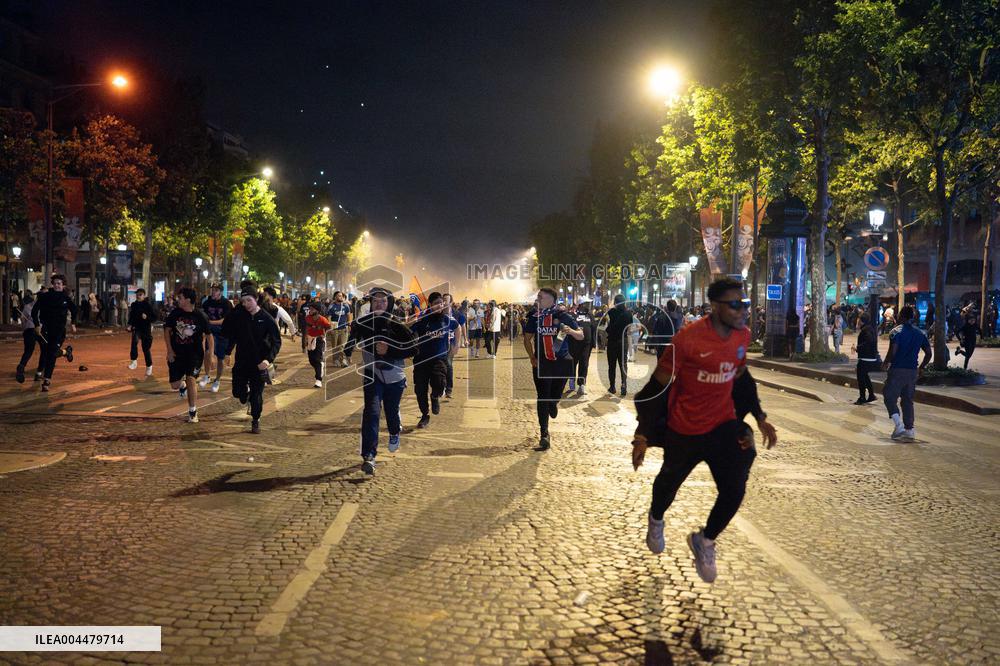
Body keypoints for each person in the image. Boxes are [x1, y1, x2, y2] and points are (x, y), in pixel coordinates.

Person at [631, 278, 777, 583]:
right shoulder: (687, 340)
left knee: (735, 487)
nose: (743, 310)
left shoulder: (742, 335)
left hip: (722, 427)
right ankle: (656, 519)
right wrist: (642, 434)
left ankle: (705, 540)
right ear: (715, 306)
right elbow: (657, 387)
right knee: (668, 484)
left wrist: (760, 416)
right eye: (735, 304)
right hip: (683, 428)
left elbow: (741, 377)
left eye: (745, 303)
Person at [345, 287, 418, 474]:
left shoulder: (396, 324)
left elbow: (413, 349)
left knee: (391, 412)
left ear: (389, 304)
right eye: (375, 301)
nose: (379, 304)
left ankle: (394, 432)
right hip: (372, 375)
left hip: (395, 377)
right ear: (371, 303)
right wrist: (348, 348)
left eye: (383, 301)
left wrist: (390, 350)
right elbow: (353, 338)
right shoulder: (363, 323)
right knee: (372, 412)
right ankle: (369, 456)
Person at [522, 287, 583, 451]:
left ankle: (554, 402)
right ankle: (544, 434)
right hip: (542, 363)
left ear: (551, 300)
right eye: (538, 297)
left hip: (562, 362)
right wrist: (532, 357)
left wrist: (571, 331)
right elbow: (527, 339)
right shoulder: (534, 317)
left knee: (554, 395)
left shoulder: (563, 316)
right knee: (542, 397)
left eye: (541, 297)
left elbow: (581, 335)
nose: (537, 300)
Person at [221, 286, 282, 434]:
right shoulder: (240, 316)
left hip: (259, 363)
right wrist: (228, 352)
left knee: (257, 394)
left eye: (249, 300)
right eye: (243, 301)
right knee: (238, 392)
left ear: (256, 299)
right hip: (241, 361)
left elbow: (277, 341)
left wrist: (268, 360)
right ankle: (245, 395)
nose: (246, 304)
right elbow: (232, 335)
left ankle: (256, 419)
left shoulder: (266, 318)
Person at [882, 305, 932, 441]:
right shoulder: (920, 333)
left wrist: (886, 362)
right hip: (912, 371)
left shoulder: (896, 332)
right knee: (907, 400)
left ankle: (898, 425)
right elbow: (928, 353)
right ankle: (910, 429)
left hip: (898, 369)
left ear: (901, 316)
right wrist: (921, 367)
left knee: (889, 396)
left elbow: (893, 350)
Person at [409, 292, 458, 429]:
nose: (440, 306)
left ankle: (435, 396)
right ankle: (425, 415)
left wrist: (456, 346)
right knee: (420, 390)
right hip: (421, 360)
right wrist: (413, 320)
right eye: (436, 303)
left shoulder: (446, 319)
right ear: (430, 304)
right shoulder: (422, 319)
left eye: (441, 303)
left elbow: (458, 327)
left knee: (440, 383)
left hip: (439, 360)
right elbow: (408, 329)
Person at [163, 287, 212, 423]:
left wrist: (211, 354)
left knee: (191, 379)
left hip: (194, 354)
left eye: (180, 298)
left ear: (188, 300)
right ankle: (182, 385)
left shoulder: (200, 316)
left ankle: (192, 411)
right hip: (177, 353)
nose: (178, 300)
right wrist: (169, 350)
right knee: (174, 385)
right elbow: (167, 330)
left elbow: (209, 336)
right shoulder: (175, 313)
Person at [31, 274, 78, 392]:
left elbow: (74, 310)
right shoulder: (45, 297)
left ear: (63, 285)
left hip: (59, 331)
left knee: (51, 354)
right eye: (55, 283)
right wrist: (37, 325)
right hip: (45, 330)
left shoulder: (66, 298)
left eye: (59, 283)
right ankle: (66, 352)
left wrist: (73, 323)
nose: (57, 285)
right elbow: (34, 311)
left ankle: (47, 380)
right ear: (52, 284)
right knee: (48, 352)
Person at [198, 285, 232, 394]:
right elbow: (202, 316)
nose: (213, 292)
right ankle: (207, 376)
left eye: (216, 290)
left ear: (221, 292)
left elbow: (225, 320)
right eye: (212, 290)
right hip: (210, 332)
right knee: (208, 352)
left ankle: (217, 380)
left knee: (221, 359)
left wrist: (210, 322)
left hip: (223, 333)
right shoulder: (207, 303)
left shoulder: (226, 303)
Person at [603, 294, 632, 396]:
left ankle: (612, 387)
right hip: (623, 341)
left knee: (612, 365)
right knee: (623, 364)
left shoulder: (611, 312)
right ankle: (624, 384)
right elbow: (629, 329)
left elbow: (607, 323)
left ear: (615, 302)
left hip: (612, 341)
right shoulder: (629, 314)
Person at [127, 288, 158, 376]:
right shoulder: (134, 305)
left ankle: (149, 366)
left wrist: (147, 317)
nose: (138, 296)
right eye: (137, 294)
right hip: (137, 328)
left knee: (146, 349)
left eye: (140, 294)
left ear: (144, 296)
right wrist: (130, 325)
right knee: (134, 342)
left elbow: (154, 318)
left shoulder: (148, 305)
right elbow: (132, 316)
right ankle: (134, 361)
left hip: (145, 329)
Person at [568, 301, 596, 396]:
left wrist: (593, 343)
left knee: (584, 364)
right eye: (585, 304)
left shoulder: (590, 315)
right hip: (573, 344)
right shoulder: (572, 315)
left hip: (586, 345)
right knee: (572, 364)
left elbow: (593, 328)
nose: (587, 306)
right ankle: (571, 383)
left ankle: (582, 385)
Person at [14, 292, 42, 384]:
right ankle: (40, 371)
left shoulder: (27, 306)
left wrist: (24, 329)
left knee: (28, 351)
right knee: (45, 349)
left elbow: (23, 320)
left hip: (29, 330)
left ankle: (21, 366)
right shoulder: (44, 307)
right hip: (40, 330)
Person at [851, 313, 879, 405]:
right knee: (865, 377)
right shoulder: (869, 328)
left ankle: (862, 397)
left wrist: (857, 348)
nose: (857, 321)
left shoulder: (866, 330)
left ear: (861, 321)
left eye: (858, 320)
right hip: (869, 357)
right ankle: (871, 395)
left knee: (861, 378)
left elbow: (869, 342)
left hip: (866, 358)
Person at [304, 301, 332, 388]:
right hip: (310, 339)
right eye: (310, 309)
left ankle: (318, 379)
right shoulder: (307, 318)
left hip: (319, 340)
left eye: (312, 309)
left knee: (317, 359)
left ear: (317, 311)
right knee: (311, 360)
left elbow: (329, 327)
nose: (310, 310)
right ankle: (320, 366)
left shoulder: (323, 319)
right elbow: (306, 328)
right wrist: (305, 339)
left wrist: (324, 334)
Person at [443, 293, 465, 399]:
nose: (444, 302)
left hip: (451, 342)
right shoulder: (438, 313)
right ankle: (441, 386)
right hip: (440, 342)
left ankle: (448, 389)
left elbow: (462, 326)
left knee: (448, 364)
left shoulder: (456, 314)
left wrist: (461, 341)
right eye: (443, 299)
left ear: (451, 302)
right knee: (439, 364)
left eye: (446, 300)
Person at [327, 290, 352, 368]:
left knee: (343, 345)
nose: (341, 297)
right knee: (335, 346)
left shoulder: (346, 306)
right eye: (339, 296)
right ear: (335, 297)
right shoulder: (331, 306)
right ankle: (336, 360)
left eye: (341, 296)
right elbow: (329, 317)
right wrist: (330, 327)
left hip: (343, 329)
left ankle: (343, 360)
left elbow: (349, 316)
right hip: (334, 329)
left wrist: (349, 325)